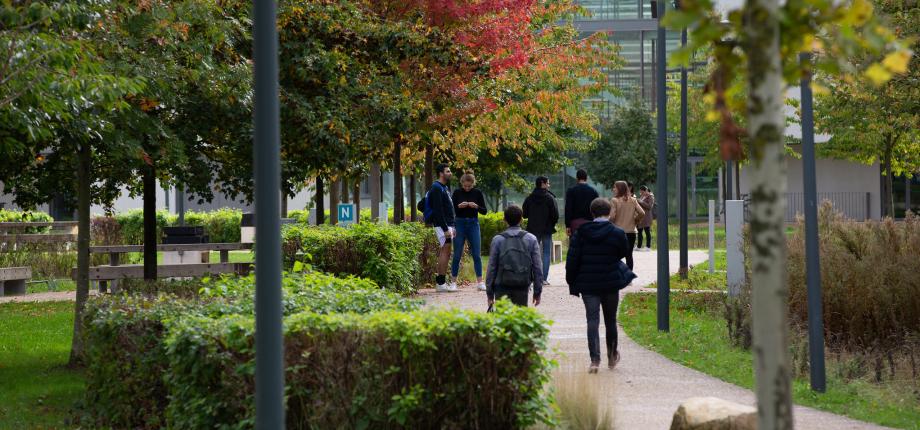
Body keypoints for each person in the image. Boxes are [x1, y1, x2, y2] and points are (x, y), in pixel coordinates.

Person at [566, 198, 636, 373]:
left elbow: (572, 259)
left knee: (592, 320)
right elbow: (623, 252)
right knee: (610, 320)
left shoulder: (581, 233)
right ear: (610, 212)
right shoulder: (617, 233)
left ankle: (595, 360)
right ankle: (612, 356)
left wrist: (571, 280)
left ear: (592, 213)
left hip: (588, 283)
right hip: (610, 281)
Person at [486, 205, 543, 307]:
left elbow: (491, 268)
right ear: (521, 220)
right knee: (519, 318)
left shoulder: (497, 240)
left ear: (504, 220)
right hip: (522, 286)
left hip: (501, 286)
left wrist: (490, 293)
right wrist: (537, 292)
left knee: (502, 319)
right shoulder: (531, 239)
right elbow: (537, 268)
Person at [450, 172, 488, 291]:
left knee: (476, 254)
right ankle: (453, 282)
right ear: (462, 183)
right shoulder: (457, 192)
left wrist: (476, 206)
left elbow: (484, 211)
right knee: (457, 254)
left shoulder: (477, 193)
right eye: (465, 186)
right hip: (459, 223)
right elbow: (451, 210)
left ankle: (480, 282)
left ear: (473, 184)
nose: (467, 188)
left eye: (469, 186)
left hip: (473, 223)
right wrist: (459, 206)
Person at [425, 163, 457, 292]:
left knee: (447, 251)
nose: (450, 173)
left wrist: (451, 225)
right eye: (448, 171)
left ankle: (442, 282)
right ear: (441, 173)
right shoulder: (437, 188)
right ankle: (440, 283)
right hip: (442, 225)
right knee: (445, 250)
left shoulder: (444, 187)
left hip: (448, 223)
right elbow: (438, 210)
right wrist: (445, 228)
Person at [523, 176, 559, 285]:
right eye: (548, 183)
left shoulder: (529, 198)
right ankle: (543, 279)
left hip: (532, 229)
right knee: (546, 253)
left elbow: (524, 214)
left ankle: (532, 277)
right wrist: (551, 224)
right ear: (542, 183)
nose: (549, 185)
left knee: (532, 253)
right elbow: (555, 215)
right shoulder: (550, 198)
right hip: (547, 229)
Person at [609, 180, 644, 270]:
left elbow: (612, 216)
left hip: (618, 232)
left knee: (615, 254)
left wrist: (608, 223)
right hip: (631, 231)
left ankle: (616, 275)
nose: (613, 189)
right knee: (629, 255)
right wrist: (635, 220)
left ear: (619, 189)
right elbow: (642, 213)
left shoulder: (614, 200)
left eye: (614, 187)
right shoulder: (633, 200)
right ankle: (629, 278)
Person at [564, 169, 599, 236]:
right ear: (586, 178)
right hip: (589, 222)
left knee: (575, 244)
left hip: (575, 223)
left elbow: (568, 208)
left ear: (577, 178)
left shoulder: (571, 191)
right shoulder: (593, 191)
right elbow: (596, 207)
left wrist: (567, 225)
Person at [636, 185, 655, 251]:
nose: (641, 193)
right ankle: (639, 246)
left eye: (642, 192)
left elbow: (649, 206)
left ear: (646, 191)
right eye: (640, 192)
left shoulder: (651, 197)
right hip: (641, 217)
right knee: (639, 231)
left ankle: (648, 246)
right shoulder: (642, 196)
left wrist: (641, 202)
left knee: (647, 231)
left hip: (647, 217)